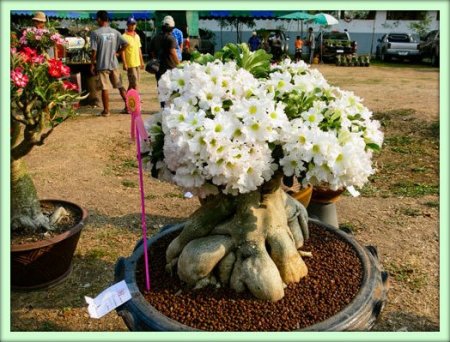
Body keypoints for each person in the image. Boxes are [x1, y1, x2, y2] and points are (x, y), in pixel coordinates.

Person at [90, 10, 129, 117]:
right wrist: (118, 53)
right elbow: (126, 44)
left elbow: (94, 51)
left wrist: (92, 64)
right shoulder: (115, 32)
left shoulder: (95, 33)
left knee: (104, 88)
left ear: (99, 19)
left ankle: (106, 111)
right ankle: (128, 107)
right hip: (114, 64)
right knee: (120, 86)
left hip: (102, 65)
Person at [149, 15, 180, 108]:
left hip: (159, 69)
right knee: (171, 89)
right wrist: (179, 64)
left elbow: (152, 52)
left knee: (161, 88)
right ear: (172, 28)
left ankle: (163, 107)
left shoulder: (155, 38)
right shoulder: (171, 38)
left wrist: (157, 60)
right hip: (170, 68)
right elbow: (173, 52)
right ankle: (170, 108)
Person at [121, 17, 145, 92]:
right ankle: (137, 99)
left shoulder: (137, 36)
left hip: (137, 63)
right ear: (127, 25)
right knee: (135, 83)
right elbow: (122, 51)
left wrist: (142, 61)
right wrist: (124, 63)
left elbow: (139, 49)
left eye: (134, 24)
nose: (133, 26)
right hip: (130, 64)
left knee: (133, 83)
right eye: (131, 24)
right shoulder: (124, 36)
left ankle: (127, 98)